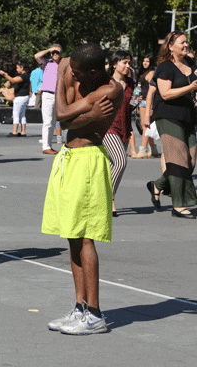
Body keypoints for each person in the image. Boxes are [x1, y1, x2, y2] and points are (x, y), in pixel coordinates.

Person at [42, 43, 123, 335]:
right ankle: (80, 308)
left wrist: (81, 117)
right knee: (72, 234)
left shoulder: (111, 90)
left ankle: (96, 314)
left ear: (92, 71)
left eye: (77, 72)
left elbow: (62, 115)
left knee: (86, 237)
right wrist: (86, 116)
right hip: (70, 158)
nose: (72, 76)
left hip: (89, 160)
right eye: (71, 70)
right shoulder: (75, 70)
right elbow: (65, 120)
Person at [146, 31, 197, 219]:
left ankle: (158, 185)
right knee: (177, 160)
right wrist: (190, 88)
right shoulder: (165, 67)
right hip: (168, 116)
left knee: (190, 161)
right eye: (182, 43)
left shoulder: (191, 64)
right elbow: (165, 94)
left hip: (189, 116)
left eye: (187, 42)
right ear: (170, 46)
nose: (186, 45)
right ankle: (179, 205)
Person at [102, 50, 135, 217]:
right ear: (114, 64)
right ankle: (108, 199)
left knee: (111, 167)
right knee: (121, 162)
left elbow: (131, 105)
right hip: (108, 127)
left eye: (129, 63)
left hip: (124, 127)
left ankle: (104, 199)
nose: (128, 66)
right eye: (124, 62)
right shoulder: (106, 82)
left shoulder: (131, 82)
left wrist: (137, 102)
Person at [35, 44, 63, 154]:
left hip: (58, 95)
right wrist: (49, 49)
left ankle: (49, 145)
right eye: (53, 52)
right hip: (48, 94)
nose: (55, 54)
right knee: (47, 121)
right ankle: (46, 147)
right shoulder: (47, 62)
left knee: (53, 121)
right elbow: (36, 56)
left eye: (58, 52)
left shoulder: (63, 64)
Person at [135, 54, 159, 158]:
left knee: (145, 125)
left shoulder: (151, 73)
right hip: (142, 101)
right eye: (144, 61)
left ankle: (143, 150)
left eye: (147, 61)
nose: (145, 63)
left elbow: (153, 89)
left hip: (146, 102)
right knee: (146, 125)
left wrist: (151, 104)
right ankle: (153, 149)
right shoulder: (144, 72)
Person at [0, 61, 30, 138]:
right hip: (24, 97)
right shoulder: (25, 76)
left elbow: (13, 80)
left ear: (22, 68)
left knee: (16, 114)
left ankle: (14, 132)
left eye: (17, 68)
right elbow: (13, 79)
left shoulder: (24, 76)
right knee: (22, 115)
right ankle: (23, 132)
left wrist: (4, 74)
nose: (16, 70)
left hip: (20, 97)